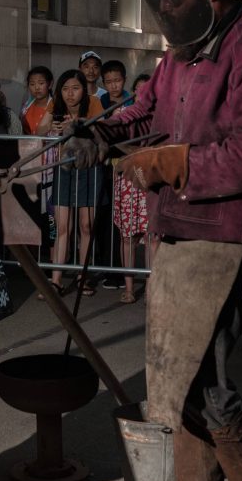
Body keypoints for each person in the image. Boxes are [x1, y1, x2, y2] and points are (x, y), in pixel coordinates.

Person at [64, 0, 242, 481]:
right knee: (182, 387)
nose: (165, 12)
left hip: (228, 238)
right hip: (182, 230)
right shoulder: (181, 57)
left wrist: (172, 162)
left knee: (205, 389)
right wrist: (98, 134)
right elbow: (144, 114)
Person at [36, 69, 104, 296]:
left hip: (89, 167)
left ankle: (83, 277)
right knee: (63, 227)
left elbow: (104, 129)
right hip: (64, 170)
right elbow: (39, 129)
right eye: (65, 89)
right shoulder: (55, 104)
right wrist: (52, 128)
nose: (70, 94)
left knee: (86, 226)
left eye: (75, 88)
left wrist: (80, 124)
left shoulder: (94, 103)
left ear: (84, 89)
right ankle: (56, 280)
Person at [100, 60, 155, 302]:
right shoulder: (124, 115)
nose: (142, 94)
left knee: (153, 236)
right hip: (127, 179)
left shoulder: (161, 118)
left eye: (147, 90)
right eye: (138, 90)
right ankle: (130, 287)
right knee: (127, 236)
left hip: (152, 181)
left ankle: (153, 285)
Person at [21, 66, 53, 135]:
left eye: (41, 83)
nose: (37, 87)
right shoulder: (27, 105)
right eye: (32, 84)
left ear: (50, 84)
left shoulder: (55, 105)